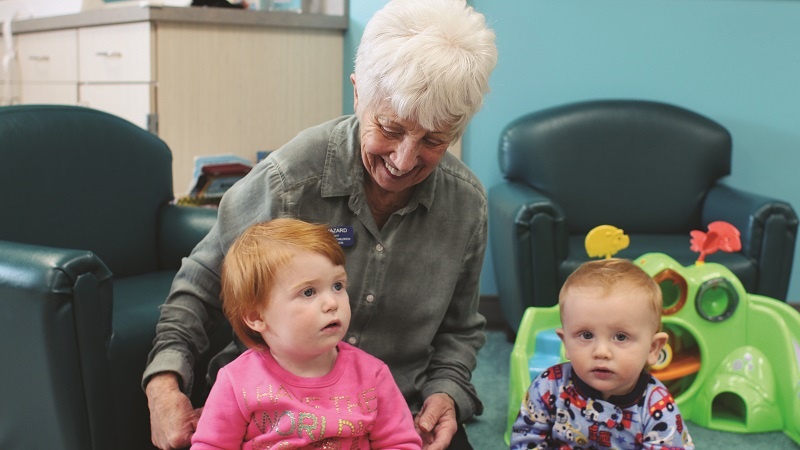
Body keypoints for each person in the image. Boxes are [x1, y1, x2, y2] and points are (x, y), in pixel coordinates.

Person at [143, 0, 498, 449]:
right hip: (272, 414)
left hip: (398, 417)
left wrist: (448, 393)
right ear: (357, 94)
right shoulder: (290, 179)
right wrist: (164, 384)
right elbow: (202, 283)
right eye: (389, 128)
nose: (404, 160)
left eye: (433, 139)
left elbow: (460, 330)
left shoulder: (465, 203)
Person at [190, 219, 422, 449]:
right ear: (257, 317)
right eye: (309, 292)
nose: (332, 302)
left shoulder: (373, 375)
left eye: (338, 286)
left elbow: (400, 443)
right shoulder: (236, 382)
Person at [510, 258, 695, 449]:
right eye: (586, 335)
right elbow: (527, 438)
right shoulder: (548, 387)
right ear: (566, 343)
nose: (601, 352)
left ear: (653, 348)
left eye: (621, 337)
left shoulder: (658, 406)